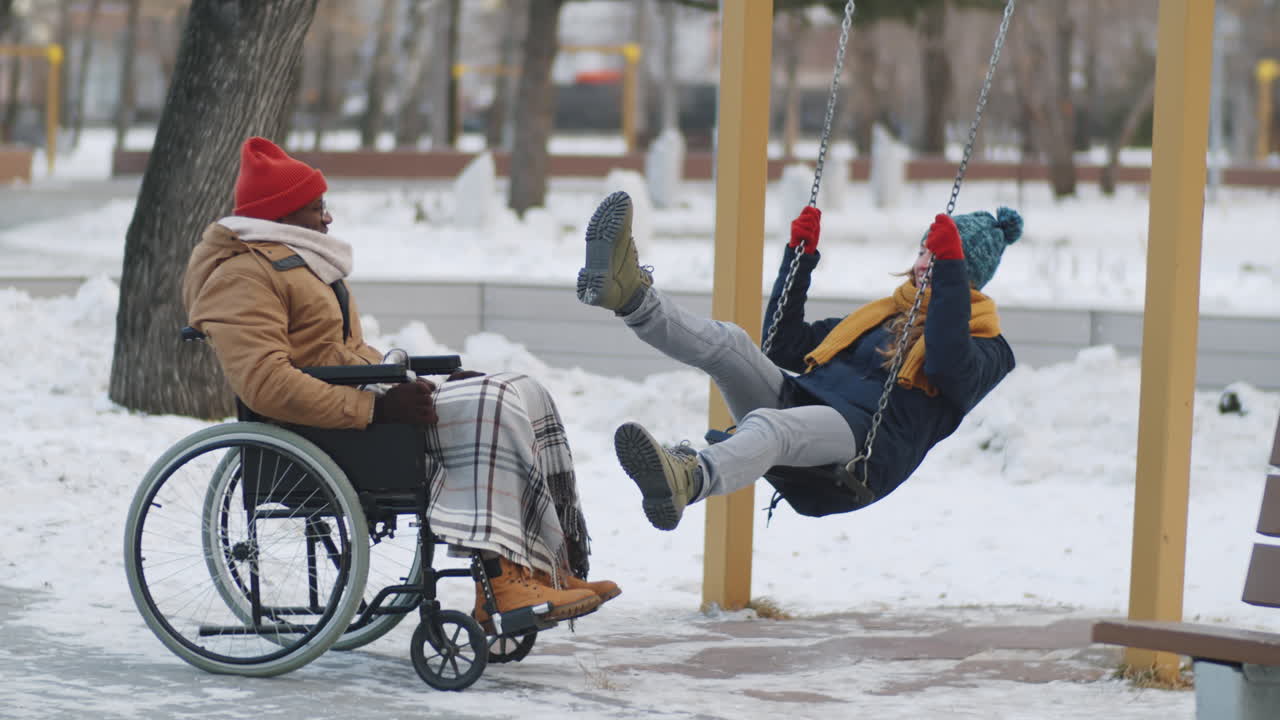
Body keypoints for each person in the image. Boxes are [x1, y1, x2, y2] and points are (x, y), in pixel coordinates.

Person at [183, 136, 619, 627]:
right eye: (316, 208)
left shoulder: (303, 266)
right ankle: (502, 579)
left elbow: (344, 355)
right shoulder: (242, 276)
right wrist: (379, 408)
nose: (327, 219)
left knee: (520, 391)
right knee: (491, 403)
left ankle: (543, 569)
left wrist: (419, 379)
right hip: (321, 430)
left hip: (356, 408)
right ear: (281, 215)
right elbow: (265, 383)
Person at [576, 190, 1021, 530]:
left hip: (862, 452)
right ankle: (631, 296)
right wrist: (799, 259)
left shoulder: (988, 348)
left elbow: (946, 364)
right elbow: (783, 345)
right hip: (805, 406)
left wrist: (949, 277)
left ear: (967, 275)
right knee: (732, 343)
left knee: (771, 427)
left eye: (940, 257)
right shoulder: (879, 316)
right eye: (926, 251)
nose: (926, 262)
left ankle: (688, 479)